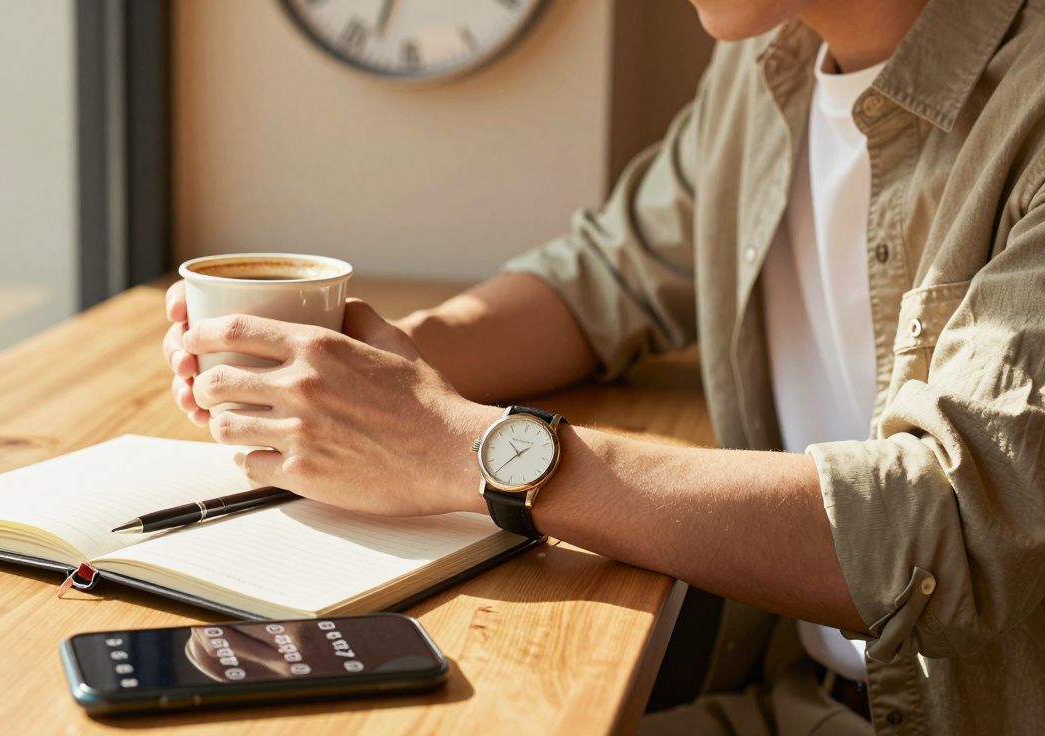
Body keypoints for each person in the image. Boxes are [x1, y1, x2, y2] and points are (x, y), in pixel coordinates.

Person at [162, 0, 1045, 732]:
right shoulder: (767, 61)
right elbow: (608, 275)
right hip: (803, 702)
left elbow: (952, 526)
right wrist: (348, 371)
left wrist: (467, 451)